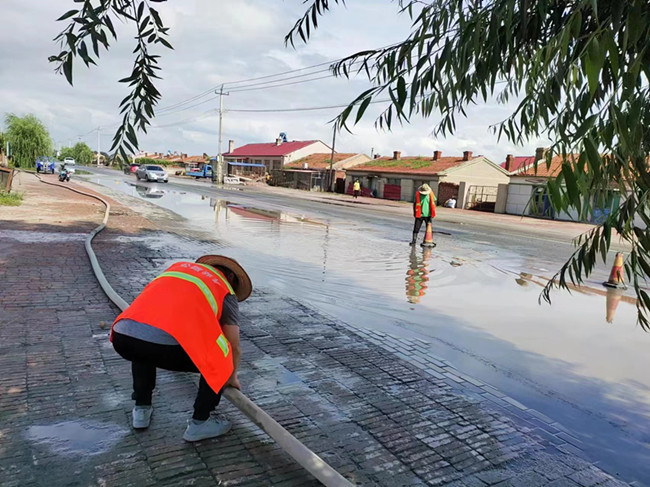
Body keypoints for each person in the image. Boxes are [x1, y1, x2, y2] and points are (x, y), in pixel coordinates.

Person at [110, 255, 252, 442]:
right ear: (232, 278)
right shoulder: (224, 289)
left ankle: (141, 410)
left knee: (144, 342)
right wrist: (231, 377)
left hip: (123, 336)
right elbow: (234, 345)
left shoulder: (177, 270)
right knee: (222, 355)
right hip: (162, 347)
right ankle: (200, 423)